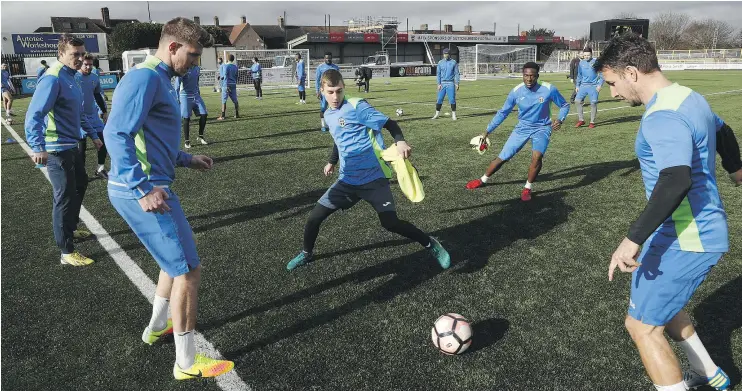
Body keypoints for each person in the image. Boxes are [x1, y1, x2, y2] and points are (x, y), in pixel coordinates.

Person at [599, 33, 737, 391]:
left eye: (612, 83)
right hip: (679, 229)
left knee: (642, 326)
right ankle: (708, 371)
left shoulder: (662, 115)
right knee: (659, 302)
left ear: (631, 72)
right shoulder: (689, 97)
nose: (613, 93)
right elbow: (724, 131)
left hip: (690, 235)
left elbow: (676, 180)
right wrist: (737, 172)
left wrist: (631, 240)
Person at [104, 17, 234, 380]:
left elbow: (154, 138)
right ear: (172, 47)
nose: (194, 63)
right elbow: (115, 134)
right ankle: (188, 363)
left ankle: (156, 328)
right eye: (192, 55)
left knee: (170, 262)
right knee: (189, 271)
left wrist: (186, 158)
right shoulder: (144, 77)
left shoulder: (160, 79)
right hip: (144, 191)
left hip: (150, 185)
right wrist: (142, 188)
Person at [286, 69, 451, 271]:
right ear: (322, 90)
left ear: (344, 88)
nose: (335, 97)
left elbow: (389, 123)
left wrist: (400, 141)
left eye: (339, 91)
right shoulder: (328, 114)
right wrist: (332, 162)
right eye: (330, 92)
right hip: (347, 181)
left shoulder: (357, 106)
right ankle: (306, 254)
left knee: (390, 223)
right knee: (314, 218)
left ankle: (430, 243)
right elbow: (339, 139)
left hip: (373, 179)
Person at [24, 34, 102, 266]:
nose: (79, 59)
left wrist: (94, 136)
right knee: (64, 196)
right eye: (74, 54)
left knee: (81, 183)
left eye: (81, 54)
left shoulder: (73, 77)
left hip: (72, 144)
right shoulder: (53, 78)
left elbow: (79, 113)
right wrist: (38, 147)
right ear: (61, 54)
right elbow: (34, 114)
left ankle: (70, 228)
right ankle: (66, 251)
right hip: (56, 148)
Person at [465, 62, 569, 202]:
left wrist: (560, 119)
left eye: (532, 76)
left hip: (542, 128)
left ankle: (527, 188)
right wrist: (487, 131)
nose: (529, 79)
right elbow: (503, 112)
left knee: (536, 157)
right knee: (503, 157)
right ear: (522, 75)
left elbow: (564, 105)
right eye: (526, 75)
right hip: (522, 127)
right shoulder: (516, 91)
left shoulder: (549, 89)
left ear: (537, 76)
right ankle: (483, 179)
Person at [76, 53, 109, 179]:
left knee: (103, 142)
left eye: (91, 64)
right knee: (81, 149)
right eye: (86, 64)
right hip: (79, 118)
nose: (89, 67)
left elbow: (97, 95)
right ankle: (81, 173)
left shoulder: (95, 77)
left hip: (93, 116)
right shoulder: (74, 77)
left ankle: (100, 168)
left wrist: (104, 111)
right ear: (80, 64)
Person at [174, 64, 208, 148]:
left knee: (204, 114)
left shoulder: (197, 68)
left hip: (196, 95)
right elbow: (177, 85)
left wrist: (198, 92)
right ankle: (187, 141)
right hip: (185, 96)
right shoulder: (183, 68)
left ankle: (200, 136)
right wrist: (177, 98)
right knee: (186, 118)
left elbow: (196, 81)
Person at [574, 47, 604, 128]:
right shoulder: (581, 63)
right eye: (585, 55)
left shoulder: (596, 62)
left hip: (593, 86)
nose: (586, 56)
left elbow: (602, 75)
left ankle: (592, 122)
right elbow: (579, 75)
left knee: (593, 103)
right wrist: (577, 85)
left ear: (591, 54)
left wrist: (599, 85)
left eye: (588, 55)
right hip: (583, 86)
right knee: (577, 101)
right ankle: (581, 120)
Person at [432, 48, 460, 121]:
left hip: (450, 83)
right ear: (443, 54)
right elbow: (438, 74)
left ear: (449, 54)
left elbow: (457, 73)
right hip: (442, 83)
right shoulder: (440, 62)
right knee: (439, 99)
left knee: (452, 99)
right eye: (444, 54)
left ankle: (454, 115)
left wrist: (457, 83)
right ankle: (437, 114)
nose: (445, 55)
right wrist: (439, 84)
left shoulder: (454, 62)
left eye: (447, 54)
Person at [314, 51, 340, 131]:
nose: (328, 59)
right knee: (323, 108)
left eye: (329, 58)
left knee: (335, 107)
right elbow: (317, 80)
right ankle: (323, 125)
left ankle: (333, 124)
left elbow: (339, 79)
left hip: (334, 92)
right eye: (326, 58)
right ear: (324, 58)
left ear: (331, 58)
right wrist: (317, 91)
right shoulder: (320, 67)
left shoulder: (335, 67)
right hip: (324, 92)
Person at [217, 54, 238, 120]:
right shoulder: (235, 67)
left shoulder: (226, 66)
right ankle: (237, 114)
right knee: (235, 100)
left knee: (224, 100)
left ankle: (223, 116)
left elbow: (225, 76)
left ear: (227, 59)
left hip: (226, 84)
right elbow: (236, 76)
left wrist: (222, 79)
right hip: (233, 84)